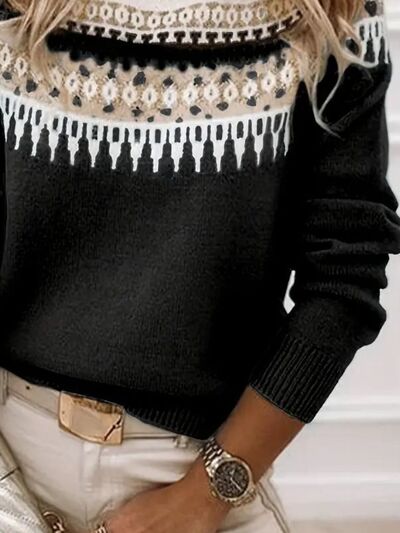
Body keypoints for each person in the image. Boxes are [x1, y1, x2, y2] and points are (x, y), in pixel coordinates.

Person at [0, 0, 398, 532]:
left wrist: (208, 492)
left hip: (195, 470)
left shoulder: (328, 13)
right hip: (11, 451)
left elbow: (345, 274)